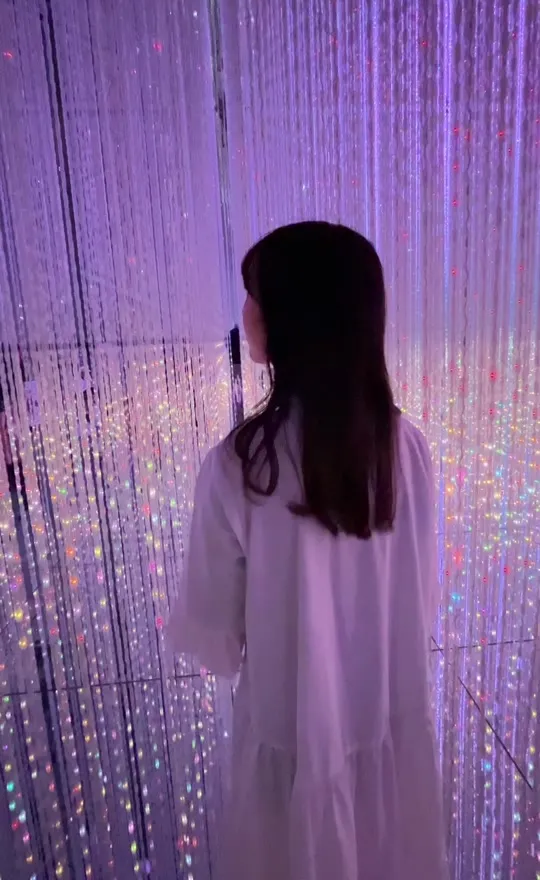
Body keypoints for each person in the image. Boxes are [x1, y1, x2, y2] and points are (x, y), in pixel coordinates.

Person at [167, 221, 448, 880]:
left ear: (296, 318)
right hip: (389, 721)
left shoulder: (241, 467)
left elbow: (215, 637)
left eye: (256, 295)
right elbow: (421, 594)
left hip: (288, 733)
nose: (245, 312)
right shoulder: (407, 448)